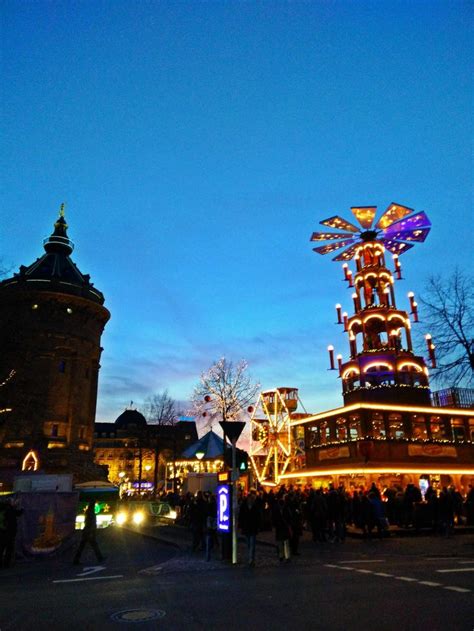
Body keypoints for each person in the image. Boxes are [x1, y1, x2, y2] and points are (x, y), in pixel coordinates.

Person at [73, 500, 105, 565]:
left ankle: (76, 559)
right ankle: (100, 558)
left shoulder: (88, 513)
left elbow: (88, 522)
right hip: (89, 532)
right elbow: (91, 523)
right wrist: (92, 531)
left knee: (82, 546)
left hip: (86, 531)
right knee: (93, 545)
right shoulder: (91, 513)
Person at [238, 489, 262, 567]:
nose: (251, 500)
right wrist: (241, 525)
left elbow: (258, 517)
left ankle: (251, 559)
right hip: (247, 527)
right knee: (249, 544)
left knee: (252, 544)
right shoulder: (244, 506)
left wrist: (258, 526)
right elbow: (241, 517)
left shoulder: (255, 507)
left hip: (252, 527)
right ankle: (250, 558)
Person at [0, 497, 23, 568]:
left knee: (2, 548)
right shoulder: (9, 510)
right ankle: (6, 564)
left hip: (3, 532)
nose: (14, 502)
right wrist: (21, 508)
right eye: (12, 501)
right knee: (8, 549)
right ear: (10, 503)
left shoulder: (5, 509)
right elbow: (16, 514)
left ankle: (3, 563)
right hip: (8, 533)